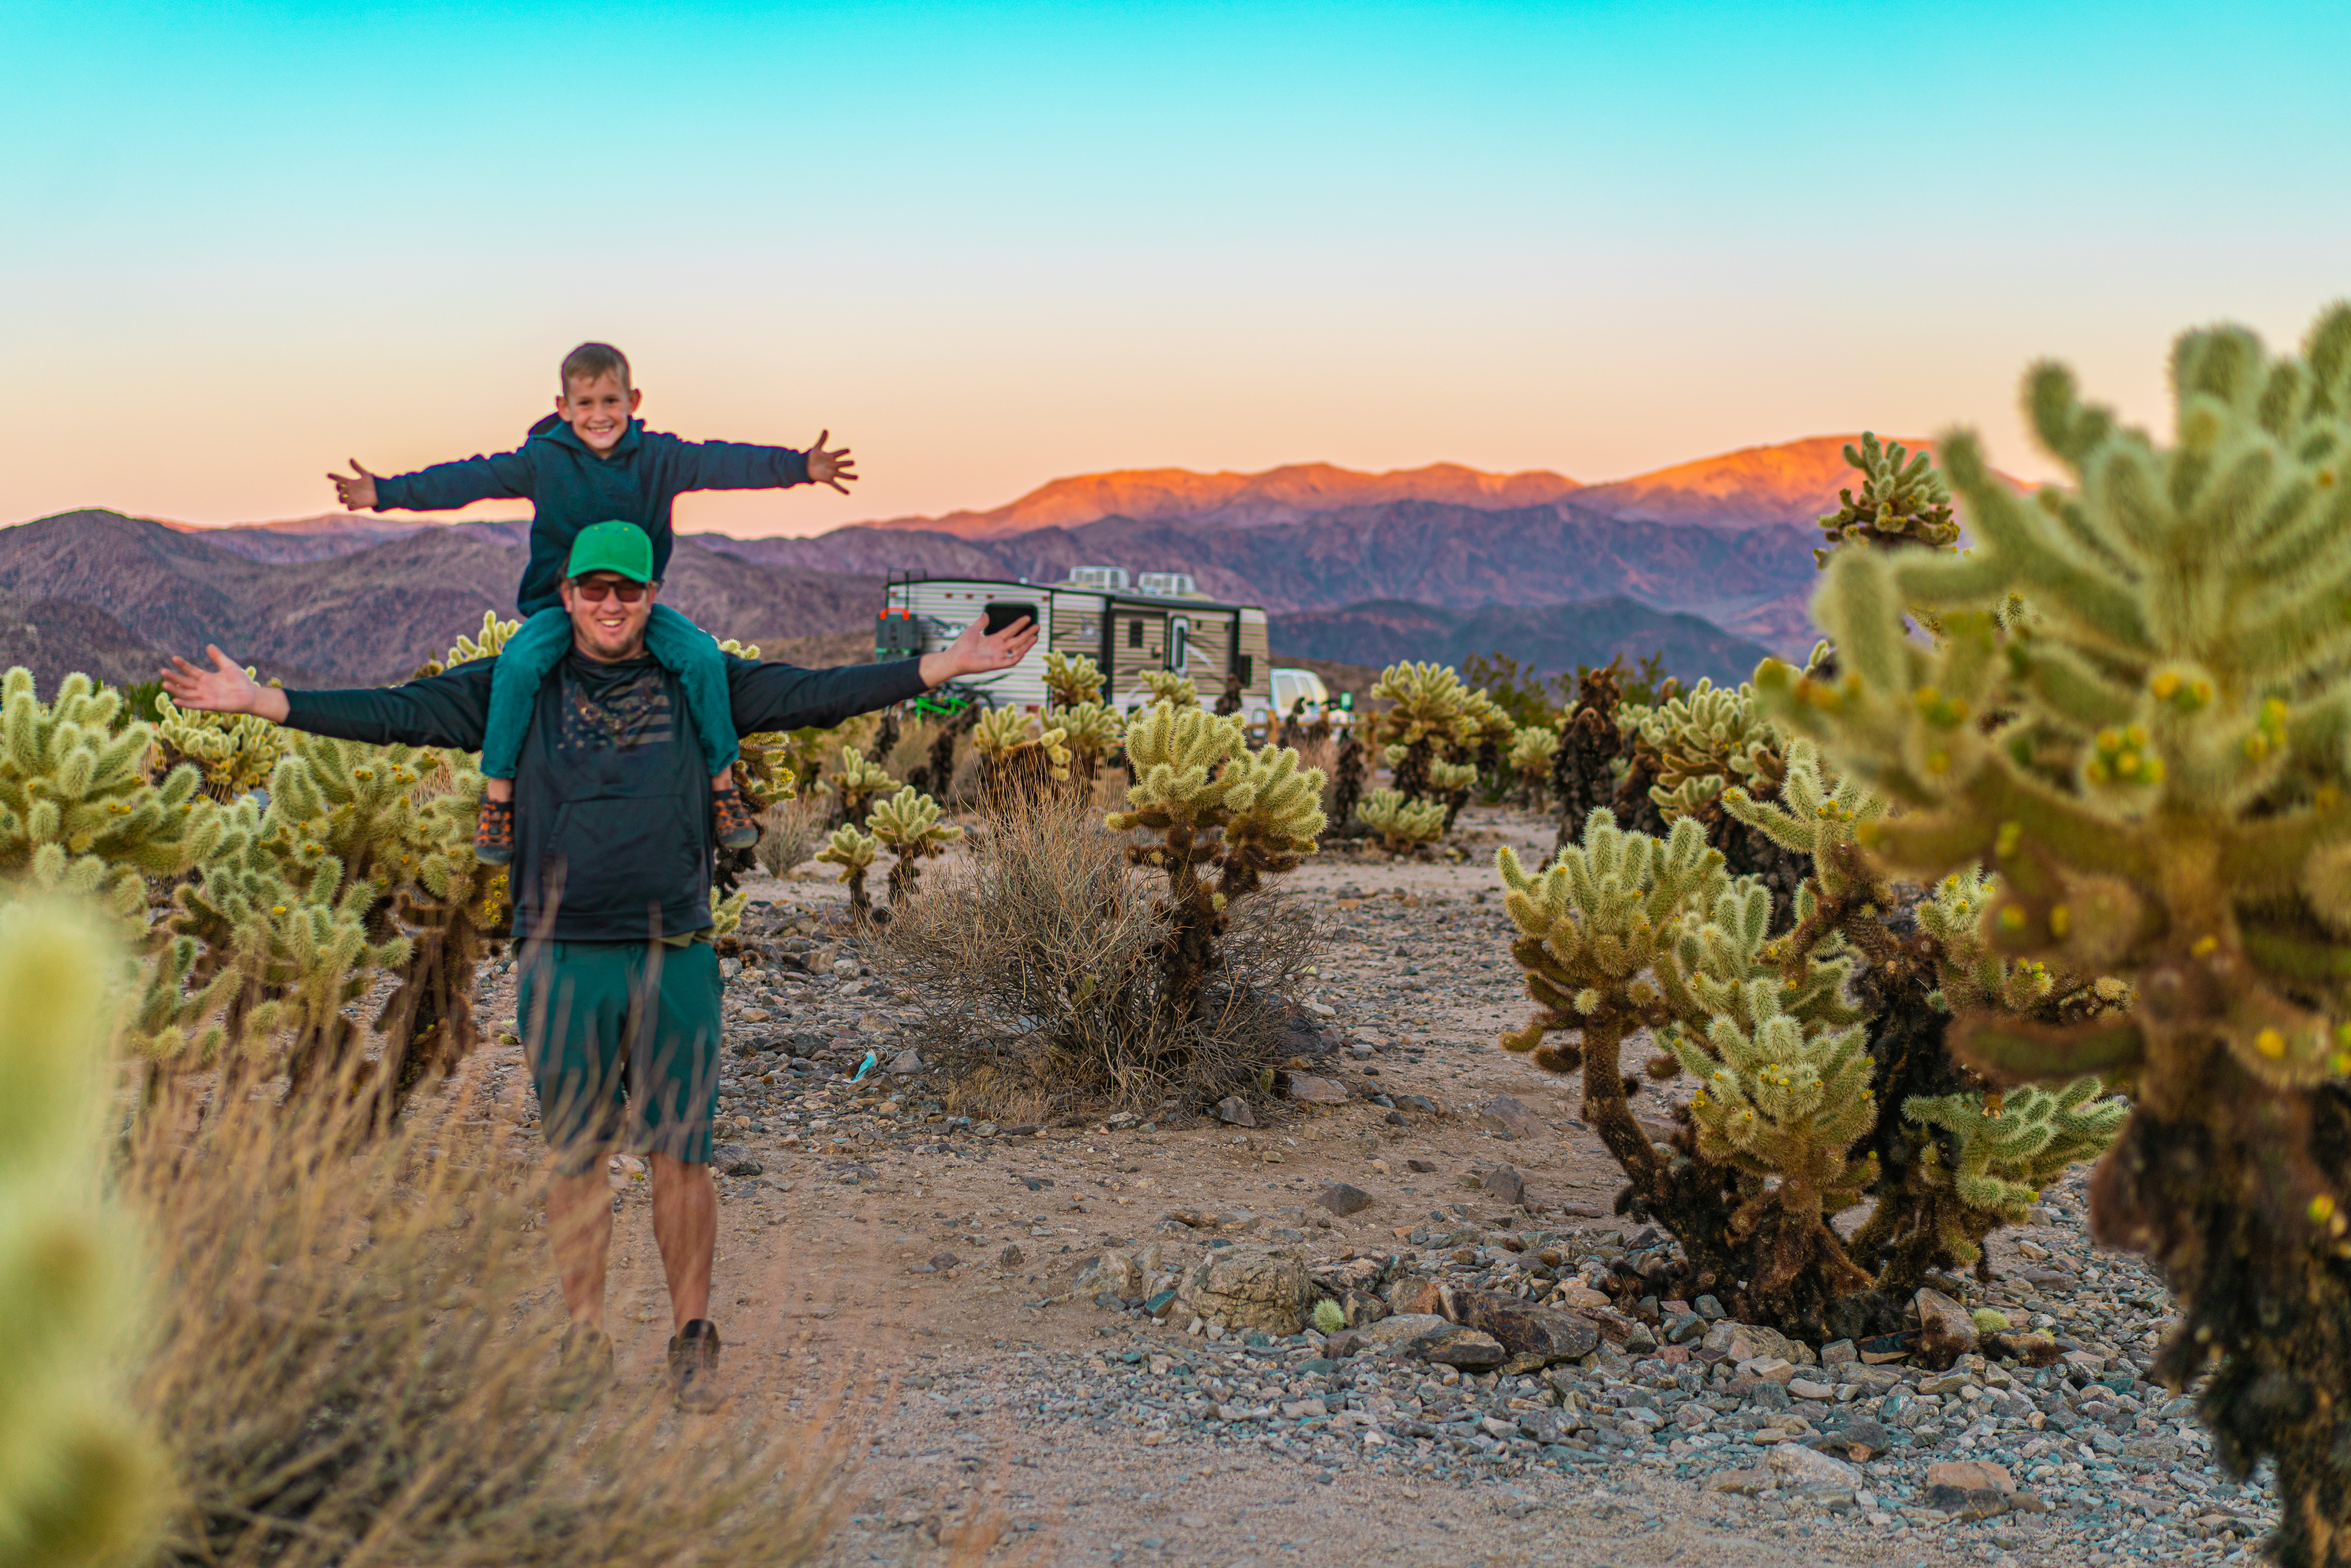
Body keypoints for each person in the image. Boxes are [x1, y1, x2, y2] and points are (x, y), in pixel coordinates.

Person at [158, 523, 1036, 1408]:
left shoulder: (703, 684)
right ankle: (582, 1336)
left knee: (679, 1154)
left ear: (652, 595)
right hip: (561, 950)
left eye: (628, 589)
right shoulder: (520, 684)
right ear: (567, 596)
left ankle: (692, 1333)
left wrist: (940, 667)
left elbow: (814, 694)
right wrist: (265, 703)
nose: (611, 604)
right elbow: (400, 713)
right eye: (594, 590)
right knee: (575, 1155)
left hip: (675, 951)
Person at [327, 341, 855, 866]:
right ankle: (500, 798)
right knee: (517, 665)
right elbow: (470, 479)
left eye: (610, 401)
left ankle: (722, 788)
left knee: (700, 659)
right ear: (563, 407)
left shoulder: (660, 459)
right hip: (559, 610)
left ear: (634, 400)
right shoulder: (544, 461)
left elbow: (723, 462)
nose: (599, 415)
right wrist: (386, 492)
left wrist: (801, 466)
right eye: (586, 404)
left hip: (634, 612)